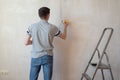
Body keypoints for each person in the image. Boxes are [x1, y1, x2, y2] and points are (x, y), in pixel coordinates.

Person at [25, 7, 69, 80]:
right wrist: (65, 26)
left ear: (39, 15)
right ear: (48, 15)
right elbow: (63, 37)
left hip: (35, 56)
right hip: (47, 56)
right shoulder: (53, 27)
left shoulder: (32, 27)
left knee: (32, 78)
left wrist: (35, 41)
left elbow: (26, 42)